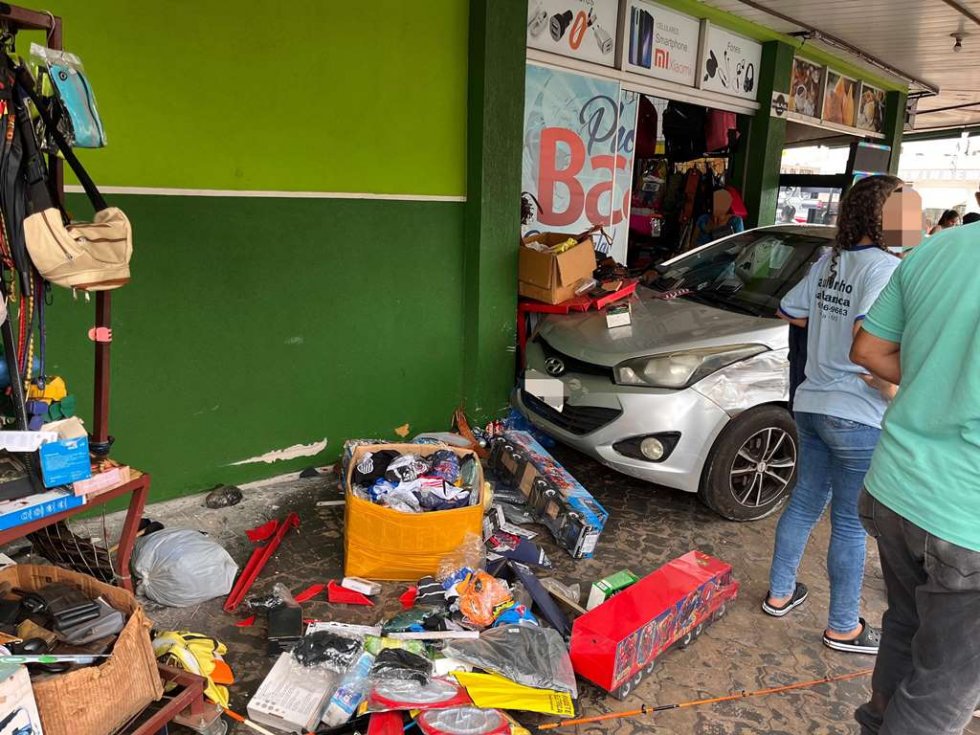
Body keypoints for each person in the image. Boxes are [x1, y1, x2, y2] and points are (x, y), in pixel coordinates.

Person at [762, 175, 903, 654]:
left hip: (813, 401)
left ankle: (780, 593)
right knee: (847, 523)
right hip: (857, 410)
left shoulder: (830, 261)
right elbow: (867, 336)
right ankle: (844, 626)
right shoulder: (885, 268)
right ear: (884, 217)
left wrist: (828, 326)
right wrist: (888, 375)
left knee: (803, 502)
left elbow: (790, 309)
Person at [850, 217, 980, 733]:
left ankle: (877, 719)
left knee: (905, 624)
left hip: (896, 489)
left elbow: (868, 350)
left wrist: (937, 381)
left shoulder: (935, 250)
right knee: (944, 686)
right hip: (965, 518)